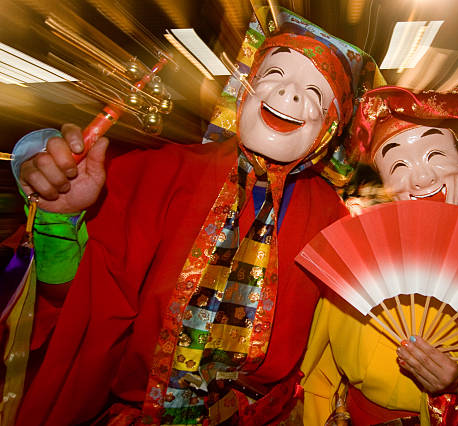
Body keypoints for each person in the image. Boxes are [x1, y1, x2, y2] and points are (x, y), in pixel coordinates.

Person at [5, 9, 384, 425]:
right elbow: (75, 304)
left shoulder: (332, 219)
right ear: (245, 89)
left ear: (331, 126)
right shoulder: (158, 174)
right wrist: (61, 219)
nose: (290, 95)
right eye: (274, 75)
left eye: (315, 92)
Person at [300, 85, 458, 425]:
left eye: (435, 156)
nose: (422, 177)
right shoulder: (357, 259)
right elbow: (321, 373)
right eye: (399, 165)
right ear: (384, 183)